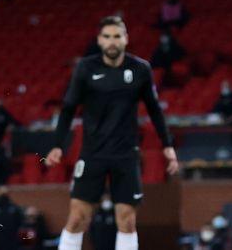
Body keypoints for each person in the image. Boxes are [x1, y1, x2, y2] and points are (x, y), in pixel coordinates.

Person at [45, 15, 178, 250]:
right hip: (92, 153)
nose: (112, 41)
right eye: (107, 37)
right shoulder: (85, 68)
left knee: (127, 220)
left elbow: (155, 110)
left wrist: (167, 145)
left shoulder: (140, 69)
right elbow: (68, 109)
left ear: (126, 39)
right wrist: (57, 144)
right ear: (99, 40)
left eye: (117, 36)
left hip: (126, 154)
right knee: (77, 218)